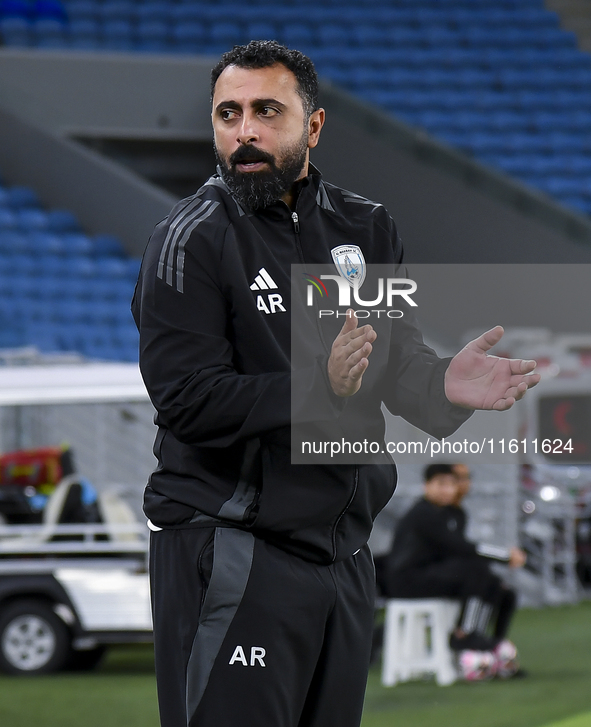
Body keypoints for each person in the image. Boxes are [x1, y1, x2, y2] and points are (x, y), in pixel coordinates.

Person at [132, 41, 540, 727]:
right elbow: (186, 399)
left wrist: (445, 385)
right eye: (227, 114)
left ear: (312, 126)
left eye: (267, 110)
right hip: (234, 546)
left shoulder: (365, 227)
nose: (245, 132)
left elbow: (392, 361)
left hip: (344, 556)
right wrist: (314, 384)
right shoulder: (190, 238)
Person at [381, 464, 525, 654]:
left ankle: (495, 646)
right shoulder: (423, 514)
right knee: (476, 569)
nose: (447, 490)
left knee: (502, 590)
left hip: (434, 574)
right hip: (408, 580)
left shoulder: (455, 514)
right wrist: (505, 555)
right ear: (427, 485)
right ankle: (464, 634)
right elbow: (458, 546)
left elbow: (459, 550)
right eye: (441, 484)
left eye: (451, 485)